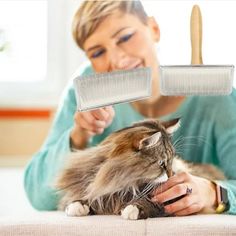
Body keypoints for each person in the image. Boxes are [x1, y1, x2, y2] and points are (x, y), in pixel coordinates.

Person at [24, 0, 236, 215]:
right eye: (97, 53)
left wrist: (214, 193)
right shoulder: (86, 90)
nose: (118, 60)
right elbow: (38, 195)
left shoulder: (216, 96)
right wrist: (78, 135)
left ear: (154, 29)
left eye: (125, 37)